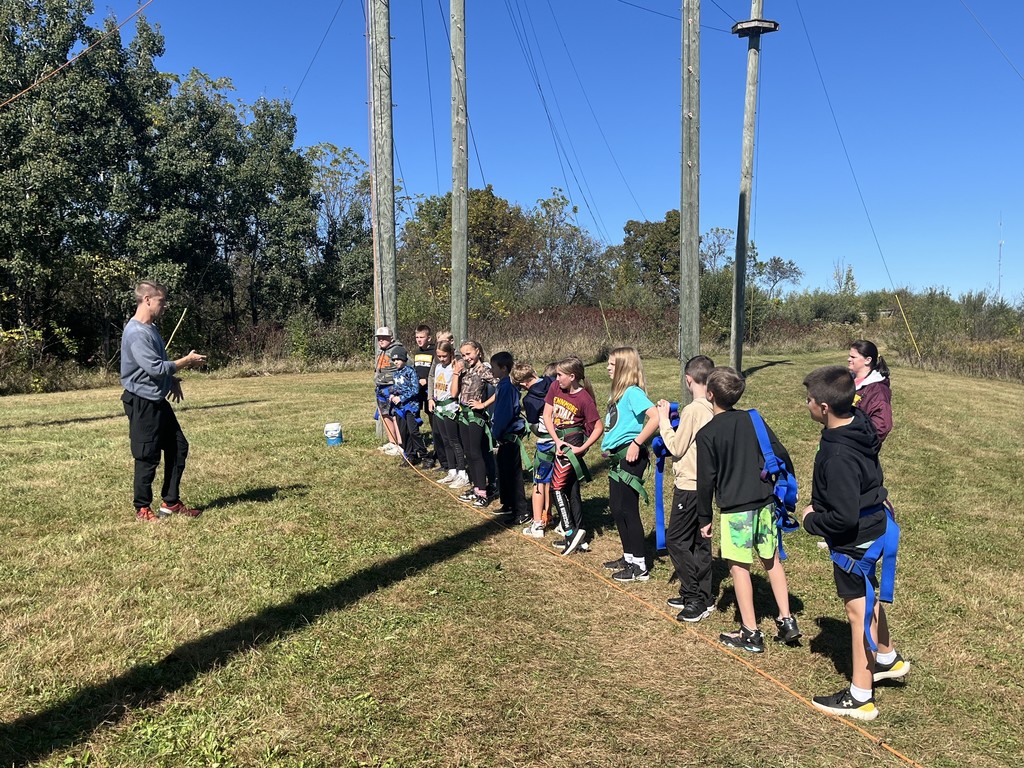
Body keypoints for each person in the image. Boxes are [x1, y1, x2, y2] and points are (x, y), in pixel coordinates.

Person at [802, 365, 909, 721]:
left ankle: (861, 695)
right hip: (876, 524)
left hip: (856, 540)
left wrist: (811, 520)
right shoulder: (859, 423)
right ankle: (887, 657)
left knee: (857, 611)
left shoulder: (838, 456)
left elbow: (843, 519)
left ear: (825, 408)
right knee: (870, 596)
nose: (808, 405)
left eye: (810, 401)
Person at [696, 366, 801, 653]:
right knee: (771, 560)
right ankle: (786, 620)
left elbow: (706, 481)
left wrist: (704, 517)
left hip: (735, 510)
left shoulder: (707, 434)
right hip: (765, 503)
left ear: (710, 394)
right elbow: (780, 453)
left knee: (739, 568)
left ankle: (750, 633)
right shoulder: (754, 420)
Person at [120, 280, 207, 522]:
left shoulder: (151, 329)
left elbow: (156, 370)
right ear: (147, 300)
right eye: (161, 301)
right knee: (147, 455)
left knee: (178, 447)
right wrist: (187, 361)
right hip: (142, 401)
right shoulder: (136, 332)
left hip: (157, 399)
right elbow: (156, 368)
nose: (165, 306)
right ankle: (142, 508)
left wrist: (173, 379)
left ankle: (170, 503)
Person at [657, 355, 716, 621]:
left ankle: (695, 598)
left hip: (689, 484)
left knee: (676, 540)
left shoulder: (693, 410)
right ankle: (704, 594)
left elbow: (677, 447)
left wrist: (663, 420)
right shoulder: (713, 407)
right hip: (705, 484)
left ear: (688, 379)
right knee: (698, 542)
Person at [600, 347, 660, 582]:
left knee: (628, 509)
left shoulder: (633, 392)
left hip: (631, 457)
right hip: (617, 457)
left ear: (624, 368)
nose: (607, 367)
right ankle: (628, 556)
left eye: (612, 364)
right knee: (616, 507)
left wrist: (636, 443)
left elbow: (654, 417)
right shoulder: (618, 392)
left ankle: (640, 566)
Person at [543, 356, 603, 555]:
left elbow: (598, 427)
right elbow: (547, 415)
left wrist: (582, 447)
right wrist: (556, 440)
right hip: (560, 442)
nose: (557, 378)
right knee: (571, 488)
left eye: (560, 375)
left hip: (573, 443)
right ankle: (579, 534)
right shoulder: (555, 388)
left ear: (572, 376)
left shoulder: (584, 398)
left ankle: (569, 532)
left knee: (556, 487)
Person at [511, 362, 555, 538]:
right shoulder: (553, 382)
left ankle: (537, 524)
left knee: (539, 483)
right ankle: (549, 515)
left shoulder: (529, 400)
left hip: (545, 442)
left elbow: (535, 426)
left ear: (523, 384)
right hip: (562, 440)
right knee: (552, 482)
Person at [452, 340, 496, 508]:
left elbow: (502, 388)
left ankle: (483, 491)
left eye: (468, 353)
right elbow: (454, 393)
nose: (466, 357)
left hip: (475, 415)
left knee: (476, 453)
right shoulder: (465, 371)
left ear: (477, 351)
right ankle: (475, 486)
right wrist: (456, 374)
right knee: (468, 452)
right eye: (463, 355)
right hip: (463, 414)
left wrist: (483, 404)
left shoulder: (484, 370)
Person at [489, 351, 531, 523]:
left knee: (513, 474)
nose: (491, 371)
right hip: (503, 436)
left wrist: (496, 432)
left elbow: (504, 414)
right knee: (504, 471)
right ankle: (508, 504)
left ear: (504, 369)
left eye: (493, 368)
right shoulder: (502, 385)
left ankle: (521, 511)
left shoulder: (507, 387)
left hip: (509, 434)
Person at [429, 341, 469, 488]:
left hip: (450, 407)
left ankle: (462, 472)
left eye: (444, 356)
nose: (441, 359)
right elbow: (436, 385)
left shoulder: (455, 367)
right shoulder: (439, 367)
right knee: (445, 440)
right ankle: (452, 470)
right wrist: (431, 399)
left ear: (451, 353)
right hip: (439, 407)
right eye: (439, 356)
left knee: (454, 440)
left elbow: (455, 390)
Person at [847, 339, 893, 443]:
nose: (848, 359)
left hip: (856, 447)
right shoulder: (847, 380)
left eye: (853, 357)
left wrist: (856, 440)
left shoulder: (878, 390)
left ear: (868, 360)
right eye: (849, 356)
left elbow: (882, 426)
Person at [388, 347, 426, 464]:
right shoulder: (395, 374)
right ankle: (410, 455)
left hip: (411, 407)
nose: (396, 362)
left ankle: (424, 455)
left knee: (413, 432)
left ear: (404, 359)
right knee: (403, 432)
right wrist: (392, 393)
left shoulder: (410, 371)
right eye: (394, 360)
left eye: (398, 359)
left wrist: (401, 398)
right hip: (399, 408)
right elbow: (397, 387)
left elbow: (415, 389)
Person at [412, 324, 442, 469]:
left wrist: (426, 380)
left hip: (430, 390)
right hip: (418, 390)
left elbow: (437, 370)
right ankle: (416, 449)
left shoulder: (434, 352)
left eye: (421, 337)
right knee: (416, 418)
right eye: (417, 337)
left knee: (433, 419)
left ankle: (438, 448)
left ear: (429, 338)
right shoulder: (417, 352)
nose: (419, 340)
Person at [373, 326, 405, 455]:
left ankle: (400, 443)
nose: (381, 341)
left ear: (391, 338)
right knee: (384, 414)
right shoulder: (381, 351)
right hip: (381, 388)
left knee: (395, 415)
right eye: (379, 338)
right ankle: (392, 442)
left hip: (393, 388)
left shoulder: (397, 350)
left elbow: (406, 366)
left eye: (384, 338)